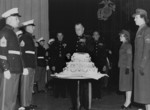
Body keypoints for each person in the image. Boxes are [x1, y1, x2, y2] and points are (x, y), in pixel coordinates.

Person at [0, 8, 23, 110]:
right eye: (16, 18)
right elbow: (2, 52)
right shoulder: (4, 32)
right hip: (9, 69)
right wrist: (5, 68)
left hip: (15, 69)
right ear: (9, 19)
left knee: (12, 98)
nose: (18, 21)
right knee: (6, 98)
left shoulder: (12, 32)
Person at [69, 23, 93, 110]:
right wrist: (68, 55)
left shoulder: (88, 38)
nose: (77, 31)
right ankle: (76, 105)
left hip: (85, 66)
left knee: (85, 86)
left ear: (83, 29)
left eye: (79, 29)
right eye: (76, 29)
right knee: (74, 86)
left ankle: (86, 106)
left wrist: (85, 44)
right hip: (75, 66)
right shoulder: (73, 39)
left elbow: (91, 50)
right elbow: (71, 51)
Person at [133, 8, 150, 110]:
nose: (134, 19)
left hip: (144, 67)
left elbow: (147, 50)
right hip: (139, 66)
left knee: (146, 93)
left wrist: (142, 66)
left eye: (136, 17)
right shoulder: (140, 30)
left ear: (143, 17)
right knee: (143, 94)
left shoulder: (147, 30)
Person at [19, 19, 37, 109]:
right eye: (32, 26)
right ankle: (24, 104)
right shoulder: (23, 37)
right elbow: (21, 52)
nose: (33, 28)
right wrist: (24, 66)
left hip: (31, 65)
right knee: (25, 86)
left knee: (30, 86)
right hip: (26, 66)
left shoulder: (30, 37)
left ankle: (28, 103)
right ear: (27, 27)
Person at [118, 30, 133, 110]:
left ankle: (128, 102)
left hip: (126, 68)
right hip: (123, 67)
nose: (120, 37)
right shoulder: (123, 44)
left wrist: (128, 67)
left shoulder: (128, 45)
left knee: (127, 85)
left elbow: (130, 56)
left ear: (126, 37)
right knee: (125, 85)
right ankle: (128, 102)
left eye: (121, 36)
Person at [51, 32, 68, 98]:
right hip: (56, 64)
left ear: (63, 36)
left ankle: (63, 94)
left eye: (61, 36)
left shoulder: (66, 44)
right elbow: (52, 56)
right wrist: (52, 65)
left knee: (63, 79)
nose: (60, 37)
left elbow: (68, 53)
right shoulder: (54, 44)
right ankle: (56, 95)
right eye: (58, 36)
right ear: (57, 36)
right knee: (56, 79)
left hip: (64, 64)